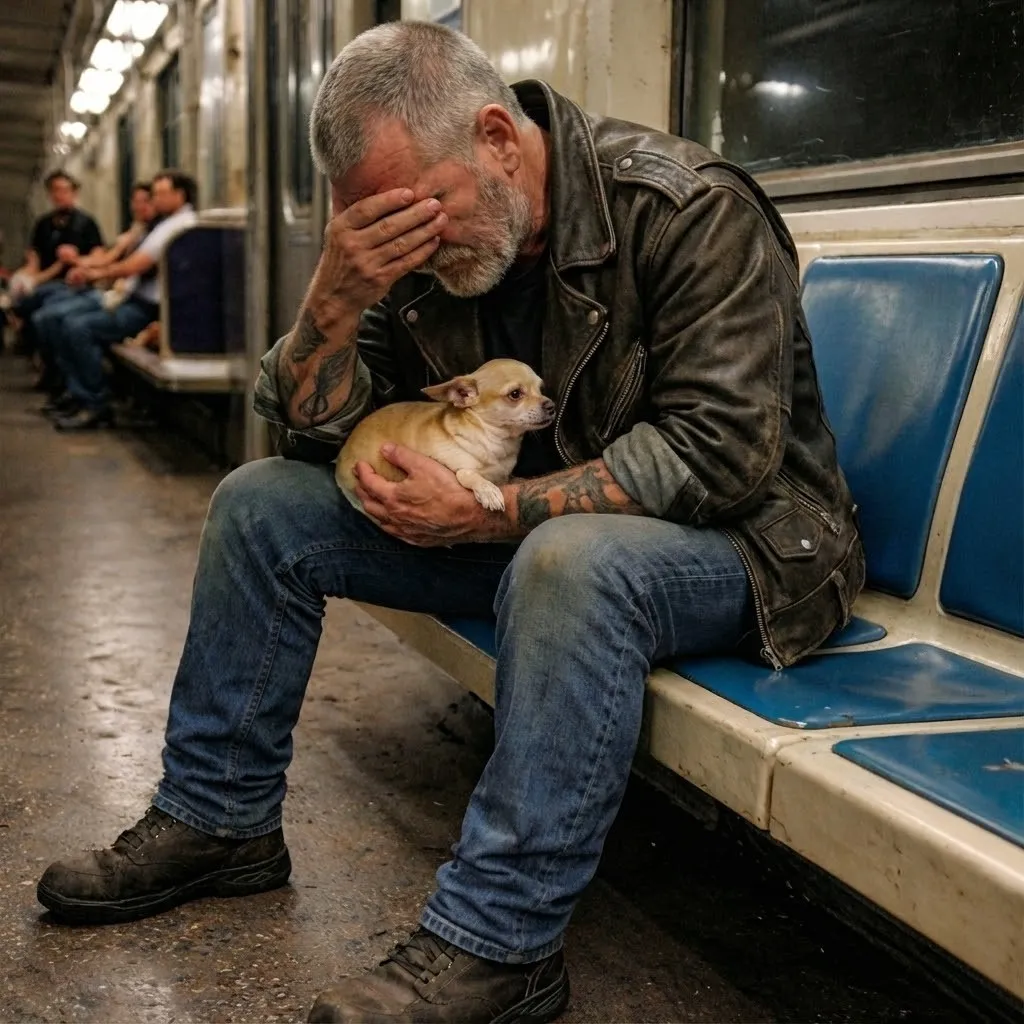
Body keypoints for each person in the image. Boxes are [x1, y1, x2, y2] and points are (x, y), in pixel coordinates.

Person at [38, 22, 865, 1023]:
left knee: (569, 559)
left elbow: (721, 452)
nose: (415, 248)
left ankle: (502, 945)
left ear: (497, 140)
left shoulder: (684, 208)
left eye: (422, 214)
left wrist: (498, 512)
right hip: (526, 535)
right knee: (262, 505)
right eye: (383, 229)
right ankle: (219, 818)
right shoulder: (427, 253)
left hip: (750, 545)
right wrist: (332, 305)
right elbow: (315, 433)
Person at [49, 170, 196, 430]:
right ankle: (80, 394)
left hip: (149, 308)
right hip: (138, 300)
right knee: (67, 321)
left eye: (161, 194)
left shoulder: (177, 227)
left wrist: (95, 274)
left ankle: (95, 404)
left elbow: (135, 266)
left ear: (180, 195)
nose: (155, 200)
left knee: (78, 328)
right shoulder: (164, 225)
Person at [35, 181, 156, 411]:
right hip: (115, 295)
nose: (139, 206)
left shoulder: (157, 234)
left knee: (71, 324)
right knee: (49, 316)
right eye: (135, 201)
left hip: (125, 299)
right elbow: (110, 259)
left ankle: (92, 399)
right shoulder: (136, 231)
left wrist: (89, 271)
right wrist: (84, 268)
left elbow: (126, 267)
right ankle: (70, 387)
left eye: (146, 201)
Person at [12, 170, 103, 377]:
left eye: (64, 190)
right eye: (55, 191)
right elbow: (33, 259)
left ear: (74, 193)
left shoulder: (86, 224)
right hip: (45, 283)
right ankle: (47, 362)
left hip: (73, 286)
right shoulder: (43, 224)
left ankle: (56, 370)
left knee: (45, 313)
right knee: (23, 301)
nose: (60, 195)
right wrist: (27, 277)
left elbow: (99, 256)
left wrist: (77, 262)